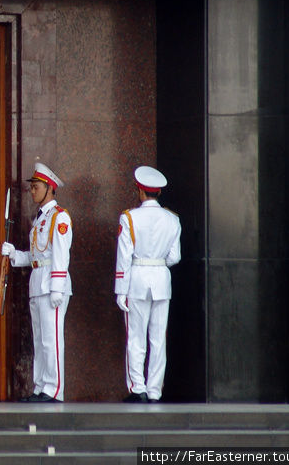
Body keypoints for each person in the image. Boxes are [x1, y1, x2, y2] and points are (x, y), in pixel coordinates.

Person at [1, 162, 73, 403]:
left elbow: (61, 256)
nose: (32, 191)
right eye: (32, 188)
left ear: (50, 188)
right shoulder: (40, 220)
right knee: (40, 339)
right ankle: (41, 386)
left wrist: (57, 288)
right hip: (38, 284)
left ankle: (54, 390)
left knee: (52, 340)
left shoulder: (59, 217)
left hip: (52, 285)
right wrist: (14, 255)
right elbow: (35, 257)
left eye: (36, 187)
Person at [114, 165, 181, 403]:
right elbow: (175, 257)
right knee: (158, 339)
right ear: (158, 193)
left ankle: (137, 388)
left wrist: (120, 290)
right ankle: (154, 391)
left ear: (140, 191)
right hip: (162, 280)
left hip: (138, 279)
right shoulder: (172, 219)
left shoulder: (130, 217)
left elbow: (124, 257)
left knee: (136, 337)